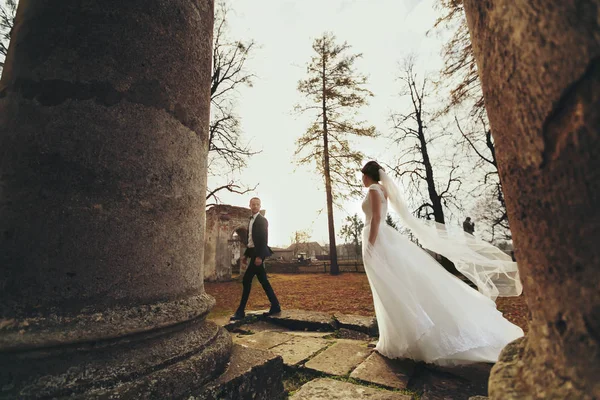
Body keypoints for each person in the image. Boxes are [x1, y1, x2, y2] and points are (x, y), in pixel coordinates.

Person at [360, 161, 523, 365]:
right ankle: (392, 339)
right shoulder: (382, 189)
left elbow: (375, 218)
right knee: (390, 288)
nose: (362, 179)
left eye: (363, 175)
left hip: (380, 240)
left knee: (389, 288)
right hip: (384, 239)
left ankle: (400, 340)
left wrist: (370, 246)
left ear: (369, 175)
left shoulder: (375, 189)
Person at [231, 197, 281, 320]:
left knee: (246, 279)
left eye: (257, 204)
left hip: (258, 254)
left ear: (260, 206)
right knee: (264, 281)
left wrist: (260, 256)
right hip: (253, 253)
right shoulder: (251, 220)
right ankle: (275, 305)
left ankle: (240, 311)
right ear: (250, 205)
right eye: (253, 204)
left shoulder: (262, 220)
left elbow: (264, 240)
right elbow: (251, 241)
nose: (255, 206)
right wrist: (246, 255)